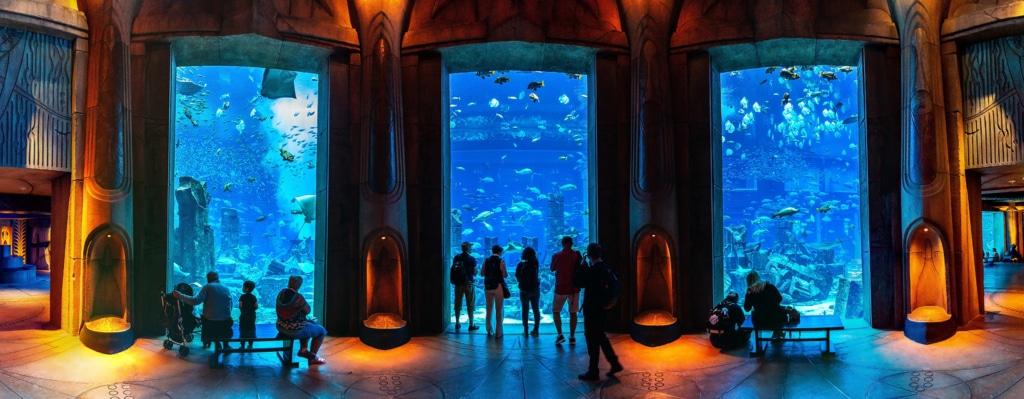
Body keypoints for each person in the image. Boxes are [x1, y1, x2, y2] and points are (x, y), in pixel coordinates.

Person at [578, 243, 623, 381]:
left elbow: (578, 282)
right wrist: (611, 302)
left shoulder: (592, 270)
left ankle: (593, 371)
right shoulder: (606, 268)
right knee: (600, 336)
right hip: (602, 308)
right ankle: (614, 363)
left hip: (592, 309)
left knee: (592, 339)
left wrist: (581, 266)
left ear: (589, 254)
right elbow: (617, 285)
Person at [175, 271, 233, 350]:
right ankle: (226, 344)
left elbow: (195, 301)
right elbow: (230, 304)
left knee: (205, 318)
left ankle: (211, 341)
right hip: (226, 321)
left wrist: (180, 295)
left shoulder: (208, 287)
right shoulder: (226, 288)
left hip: (211, 321)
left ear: (208, 278)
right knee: (224, 321)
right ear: (217, 278)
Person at [276, 275, 327, 365]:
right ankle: (312, 358)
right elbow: (308, 310)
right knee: (322, 331)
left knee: (308, 323)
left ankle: (303, 350)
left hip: (280, 326)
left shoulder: (281, 293)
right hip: (293, 330)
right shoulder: (298, 297)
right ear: (298, 285)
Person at [550, 236, 582, 345]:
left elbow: (552, 268)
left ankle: (560, 335)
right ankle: (572, 336)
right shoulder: (577, 255)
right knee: (573, 313)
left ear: (562, 244)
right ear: (572, 243)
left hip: (560, 288)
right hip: (574, 288)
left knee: (556, 311)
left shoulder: (556, 256)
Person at [742, 271, 785, 340]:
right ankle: (778, 332)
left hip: (760, 321)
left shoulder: (750, 291)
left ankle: (777, 333)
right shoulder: (770, 286)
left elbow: (747, 308)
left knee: (755, 312)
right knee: (777, 311)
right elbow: (780, 298)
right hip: (776, 319)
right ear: (759, 278)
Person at [451, 242, 479, 332]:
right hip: (469, 284)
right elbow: (475, 273)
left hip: (458, 284)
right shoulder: (472, 258)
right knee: (470, 304)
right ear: (468, 248)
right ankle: (471, 324)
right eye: (470, 247)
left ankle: (457, 323)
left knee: (457, 303)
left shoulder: (456, 257)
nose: (471, 248)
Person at [481, 245, 508, 338]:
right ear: (500, 252)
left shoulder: (486, 260)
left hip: (488, 286)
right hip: (498, 287)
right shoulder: (501, 261)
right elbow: (505, 275)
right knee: (499, 310)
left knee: (489, 309)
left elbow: (482, 273)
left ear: (492, 251)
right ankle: (498, 333)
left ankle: (489, 330)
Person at [515, 247, 541, 336]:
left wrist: (521, 282)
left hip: (524, 290)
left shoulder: (520, 264)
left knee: (525, 310)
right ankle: (536, 329)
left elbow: (517, 276)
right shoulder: (535, 263)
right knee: (536, 309)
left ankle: (525, 330)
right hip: (535, 289)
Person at [239, 280, 258, 349]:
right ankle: (250, 344)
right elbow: (256, 306)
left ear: (246, 288)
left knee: (243, 329)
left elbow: (240, 306)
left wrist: (243, 309)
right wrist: (252, 310)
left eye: (243, 287)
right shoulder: (253, 297)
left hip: (244, 316)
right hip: (252, 316)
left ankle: (242, 345)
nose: (242, 288)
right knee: (251, 328)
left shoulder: (242, 296)